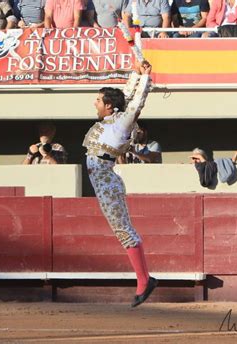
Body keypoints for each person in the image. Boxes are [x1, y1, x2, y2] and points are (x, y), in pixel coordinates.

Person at [82, 59, 157, 307]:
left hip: (106, 181)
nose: (94, 103)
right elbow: (125, 96)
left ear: (108, 106)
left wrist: (146, 78)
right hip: (102, 179)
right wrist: (135, 75)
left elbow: (135, 103)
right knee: (122, 230)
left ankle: (144, 281)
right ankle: (145, 279)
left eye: (98, 100)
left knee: (123, 231)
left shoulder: (122, 122)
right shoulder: (112, 119)